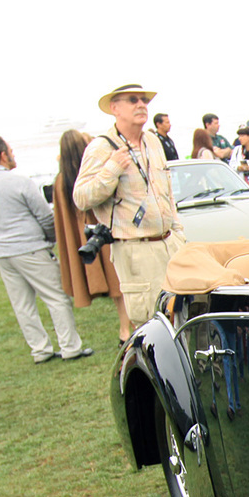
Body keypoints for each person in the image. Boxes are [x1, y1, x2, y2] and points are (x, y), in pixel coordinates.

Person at [0, 135, 93, 363]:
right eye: (11, 150)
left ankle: (40, 350)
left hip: (0, 251)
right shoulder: (19, 182)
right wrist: (49, 239)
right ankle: (70, 347)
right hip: (30, 247)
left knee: (22, 304)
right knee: (56, 297)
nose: (13, 154)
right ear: (2, 155)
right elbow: (45, 216)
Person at [73, 84, 185, 328]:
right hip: (136, 249)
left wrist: (178, 233)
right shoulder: (101, 147)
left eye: (144, 100)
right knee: (152, 322)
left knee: (183, 314)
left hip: (169, 243)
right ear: (115, 108)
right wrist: (112, 169)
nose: (141, 105)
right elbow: (81, 197)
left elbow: (167, 191)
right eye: (133, 100)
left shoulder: (153, 141)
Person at [54, 129, 129, 343]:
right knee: (119, 285)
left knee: (117, 287)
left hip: (85, 237)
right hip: (103, 234)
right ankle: (125, 328)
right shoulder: (89, 176)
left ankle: (125, 327)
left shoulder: (61, 180)